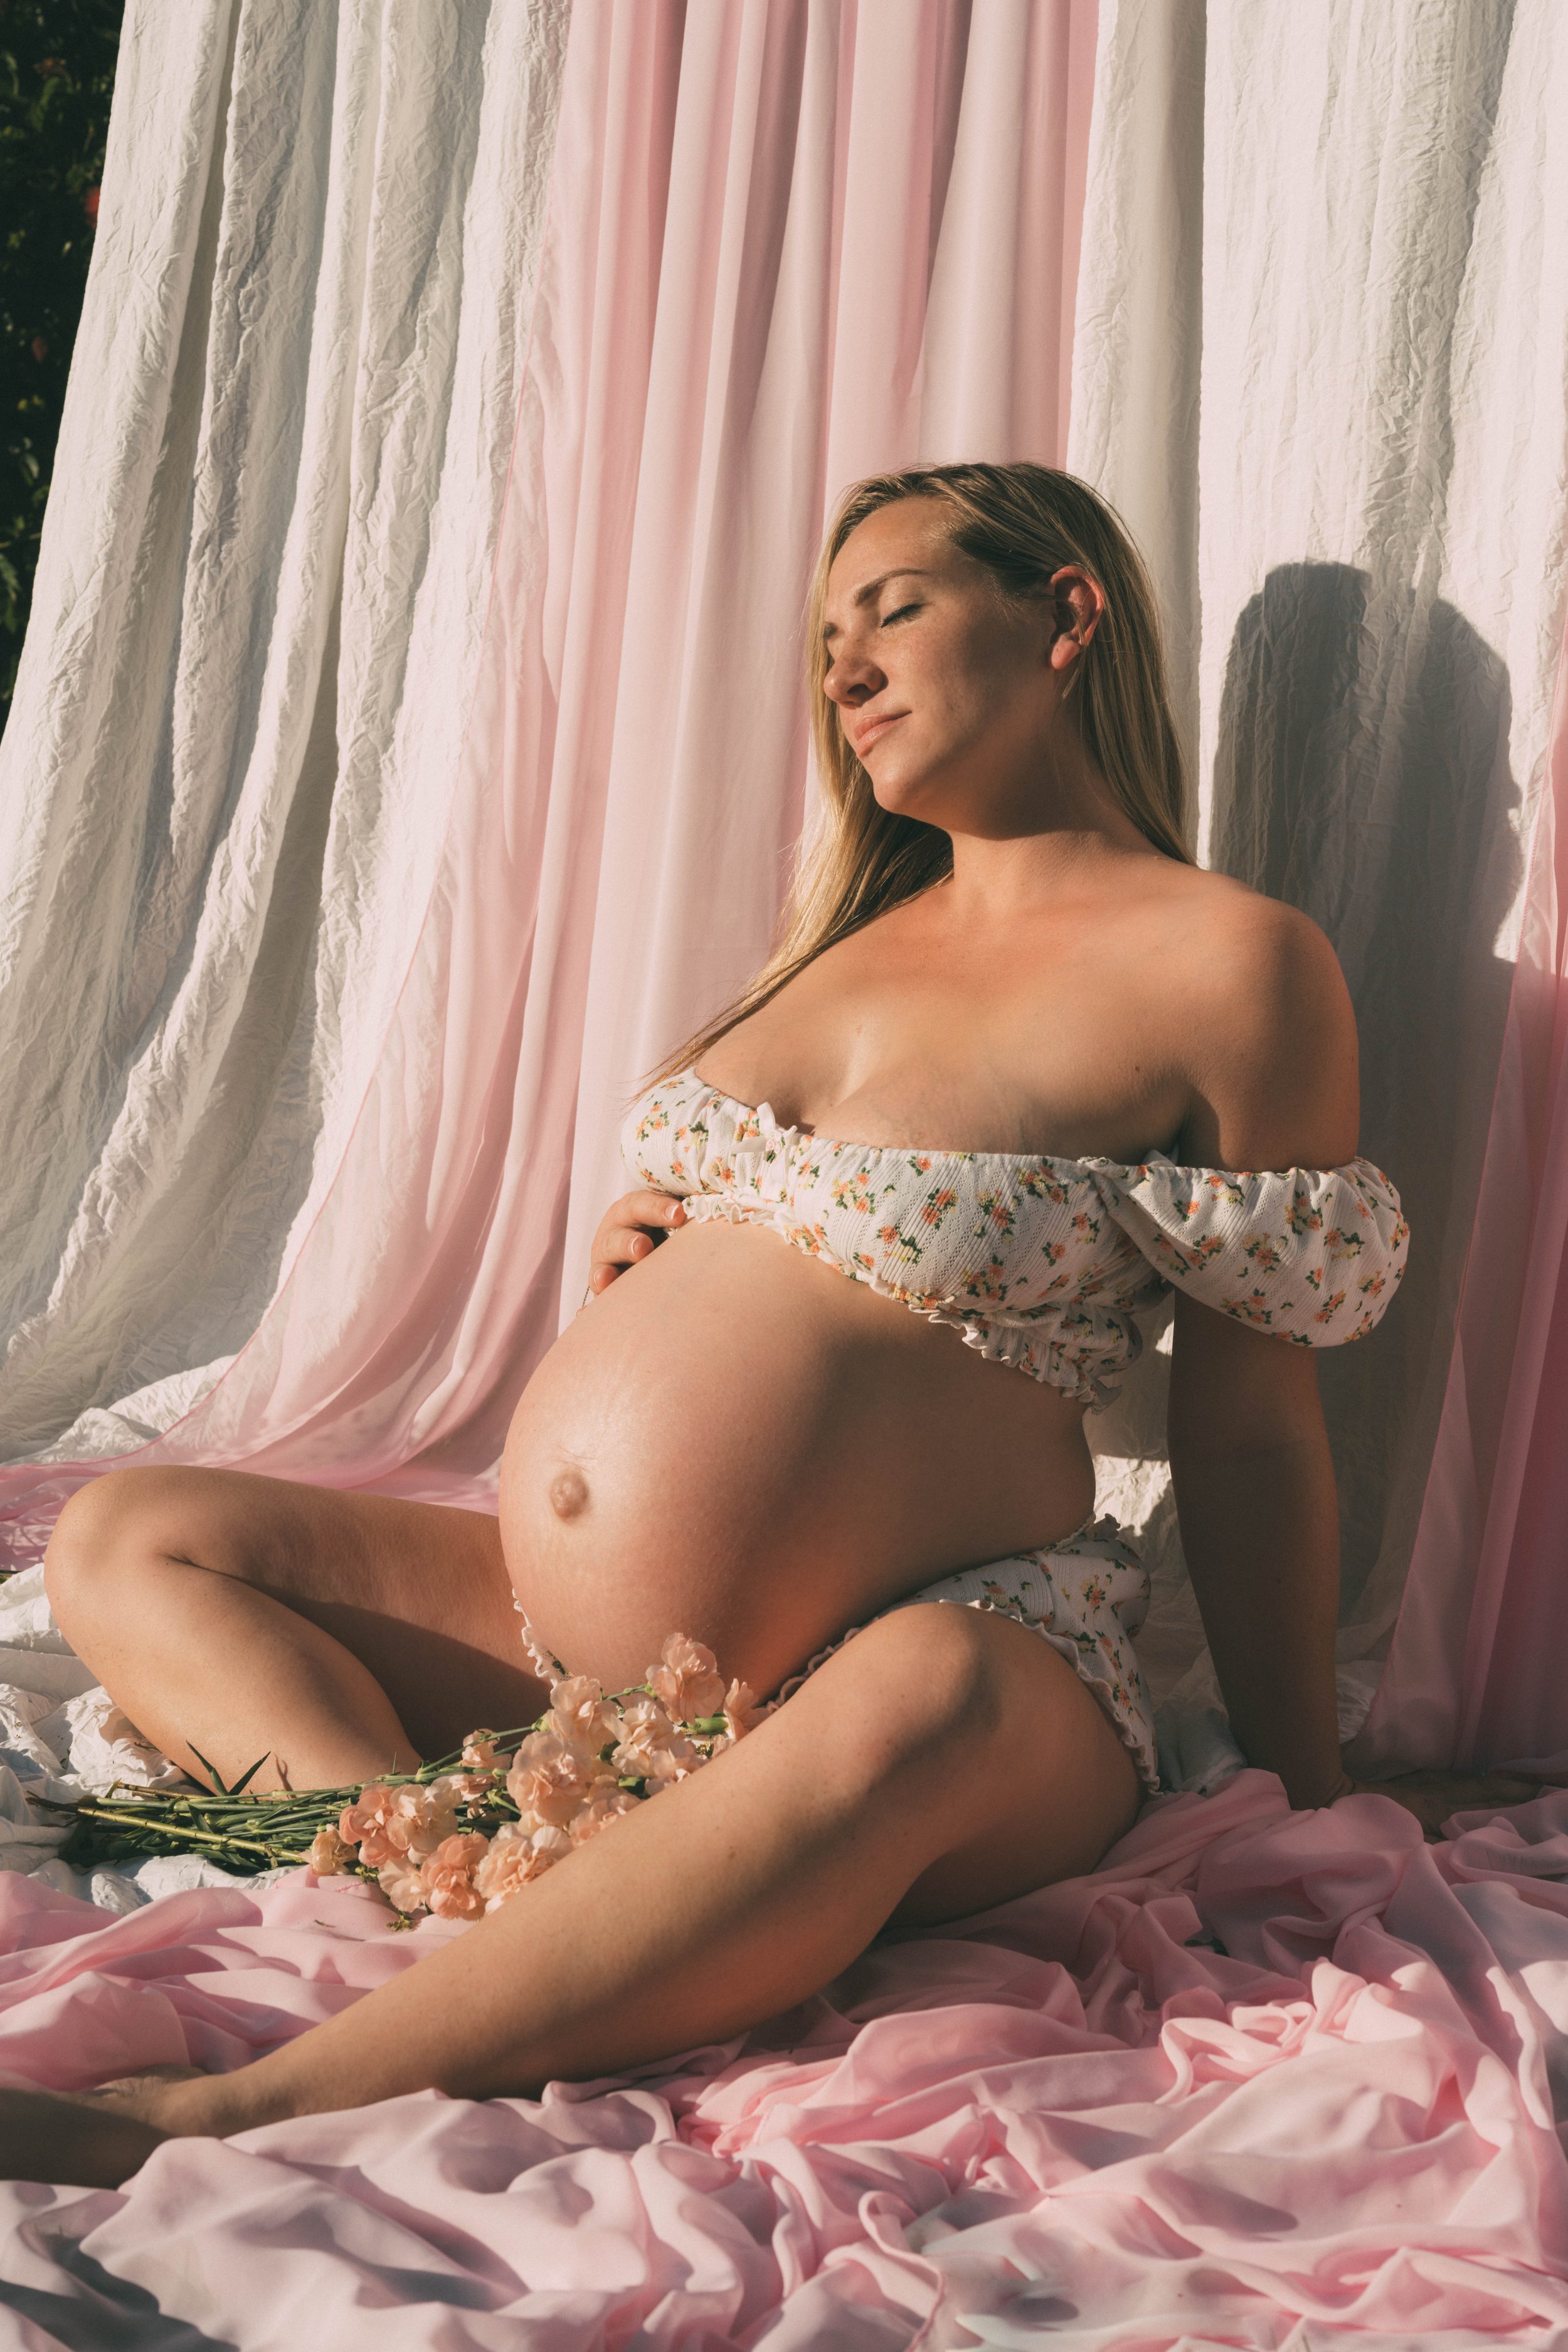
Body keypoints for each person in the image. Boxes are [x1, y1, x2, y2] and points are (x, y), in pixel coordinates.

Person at [1, 463, 1522, 2190]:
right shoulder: (838, 947)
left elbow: (1247, 1433)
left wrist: (1309, 1784)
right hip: (606, 1681)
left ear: (1063, 617)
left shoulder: (1225, 965)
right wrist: (647, 1265)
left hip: (962, 1654)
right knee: (137, 1531)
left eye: (893, 607)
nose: (843, 668)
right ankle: (501, 1880)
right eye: (823, 640)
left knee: (927, 1692)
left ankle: (215, 2115)